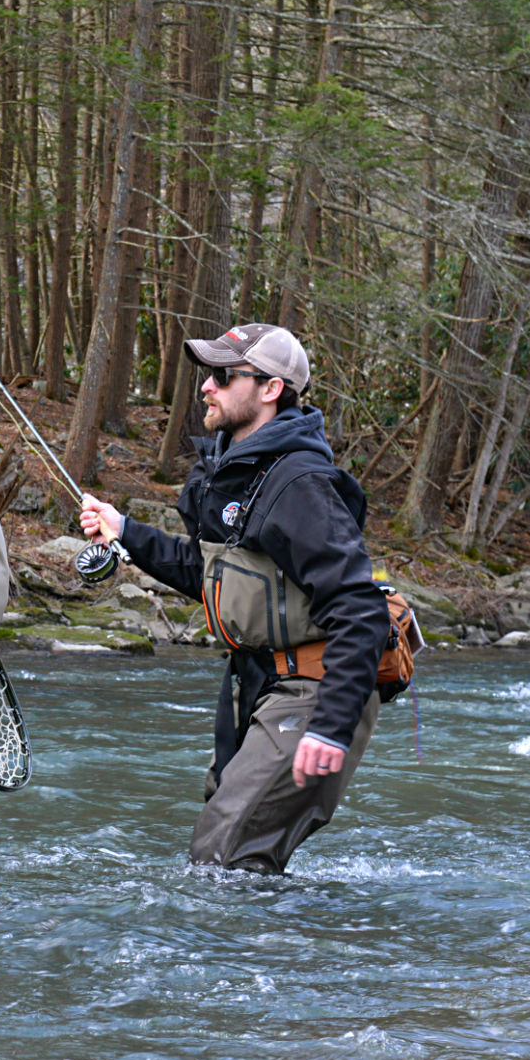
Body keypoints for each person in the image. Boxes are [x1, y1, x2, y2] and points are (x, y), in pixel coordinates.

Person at [79, 323, 390, 873]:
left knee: (222, 853)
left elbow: (360, 609)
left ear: (270, 390)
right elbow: (209, 574)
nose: (207, 387)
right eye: (208, 374)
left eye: (224, 375)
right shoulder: (229, 473)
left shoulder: (299, 484)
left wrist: (331, 725)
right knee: (224, 855)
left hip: (313, 690)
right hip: (253, 683)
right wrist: (124, 530)